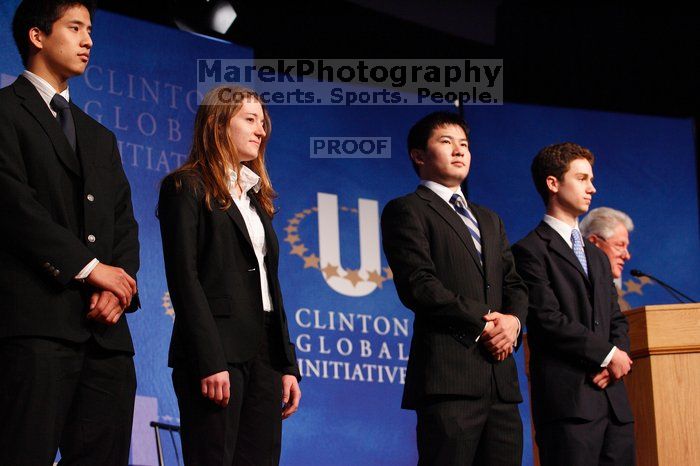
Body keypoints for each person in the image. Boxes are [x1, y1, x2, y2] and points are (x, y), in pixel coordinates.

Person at [0, 1, 140, 464]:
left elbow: (124, 222)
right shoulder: (4, 111)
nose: (88, 40)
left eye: (91, 30)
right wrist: (90, 270)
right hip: (36, 325)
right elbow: (13, 206)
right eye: (75, 28)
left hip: (106, 337)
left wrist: (118, 288)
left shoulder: (99, 136)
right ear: (38, 36)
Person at [158, 85, 301, 465]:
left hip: (265, 356)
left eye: (264, 122)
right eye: (250, 120)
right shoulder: (185, 186)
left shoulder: (258, 200)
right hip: (216, 351)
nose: (261, 131)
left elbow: (271, 287)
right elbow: (184, 278)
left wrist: (286, 365)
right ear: (219, 125)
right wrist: (209, 360)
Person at [381, 111, 528, 465]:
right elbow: (419, 284)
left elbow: (514, 283)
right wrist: (487, 321)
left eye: (464, 144)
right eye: (446, 142)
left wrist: (514, 323)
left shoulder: (489, 219)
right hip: (449, 378)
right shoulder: (408, 210)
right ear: (419, 155)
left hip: (501, 382)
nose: (459, 151)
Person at [512, 143, 635, 466]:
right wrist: (607, 355)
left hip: (614, 405)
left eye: (591, 179)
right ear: (553, 183)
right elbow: (547, 319)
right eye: (582, 178)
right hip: (569, 406)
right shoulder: (529, 251)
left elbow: (616, 319)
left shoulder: (596, 255)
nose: (592, 188)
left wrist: (617, 358)